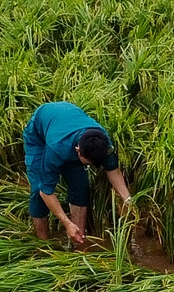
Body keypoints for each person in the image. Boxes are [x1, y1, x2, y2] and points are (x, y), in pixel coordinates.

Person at [22, 101, 132, 246]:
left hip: (67, 120)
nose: (88, 166)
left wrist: (128, 199)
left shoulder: (103, 143)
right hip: (39, 134)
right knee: (38, 190)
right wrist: (66, 223)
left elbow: (112, 170)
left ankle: (79, 240)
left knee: (81, 186)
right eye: (86, 163)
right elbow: (45, 192)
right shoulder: (57, 148)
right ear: (77, 149)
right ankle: (43, 243)